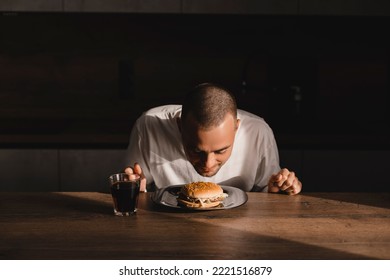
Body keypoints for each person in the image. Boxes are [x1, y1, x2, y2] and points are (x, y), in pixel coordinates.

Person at [123, 82, 302, 195]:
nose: (208, 164)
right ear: (179, 126)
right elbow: (136, 188)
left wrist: (282, 187)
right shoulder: (149, 126)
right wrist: (135, 190)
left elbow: (270, 192)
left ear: (236, 127)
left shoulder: (258, 131)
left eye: (221, 150)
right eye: (196, 150)